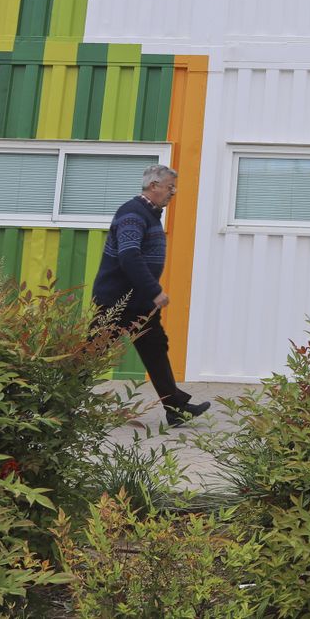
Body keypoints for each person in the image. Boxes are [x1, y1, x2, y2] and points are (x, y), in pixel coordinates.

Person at [92, 163, 209, 427]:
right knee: (92, 353)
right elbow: (129, 255)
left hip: (138, 303)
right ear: (154, 186)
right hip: (115, 302)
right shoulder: (133, 214)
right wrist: (155, 291)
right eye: (170, 187)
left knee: (156, 349)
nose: (174, 192)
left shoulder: (149, 214)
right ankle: (57, 403)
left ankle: (175, 408)